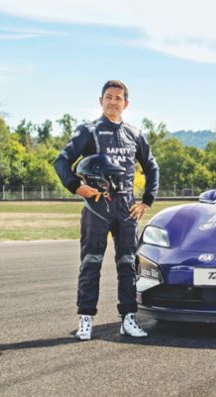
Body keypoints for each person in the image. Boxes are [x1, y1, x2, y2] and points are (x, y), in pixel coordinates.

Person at [54, 80, 160, 340]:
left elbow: (152, 167)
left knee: (128, 265)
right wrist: (75, 186)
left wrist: (146, 201)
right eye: (109, 97)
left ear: (126, 103)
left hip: (126, 210)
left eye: (118, 98)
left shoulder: (134, 134)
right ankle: (86, 319)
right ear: (100, 100)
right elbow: (62, 161)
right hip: (97, 208)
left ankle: (128, 319)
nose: (113, 102)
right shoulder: (88, 131)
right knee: (91, 263)